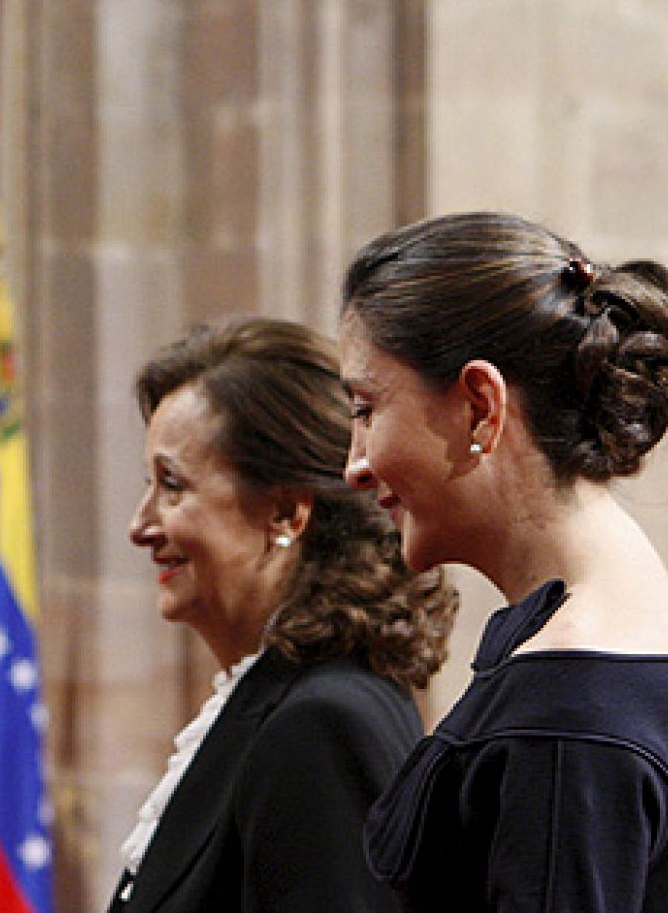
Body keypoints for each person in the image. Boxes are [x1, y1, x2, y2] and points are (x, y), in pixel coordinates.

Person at [340, 212, 668, 911]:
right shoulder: (654, 626)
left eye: (364, 406)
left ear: (480, 406)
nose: (354, 463)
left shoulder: (568, 713)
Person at [110, 315, 458, 912]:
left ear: (287, 514)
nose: (140, 526)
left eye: (173, 485)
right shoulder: (279, 701)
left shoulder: (322, 723)